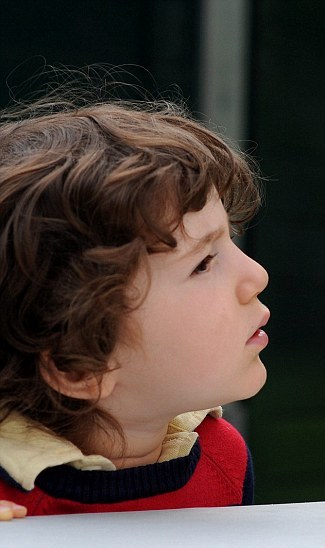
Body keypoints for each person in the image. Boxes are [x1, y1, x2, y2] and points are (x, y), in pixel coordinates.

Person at [0, 92, 270, 518]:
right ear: (80, 366)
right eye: (203, 263)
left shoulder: (221, 455)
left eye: (229, 241)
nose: (257, 275)